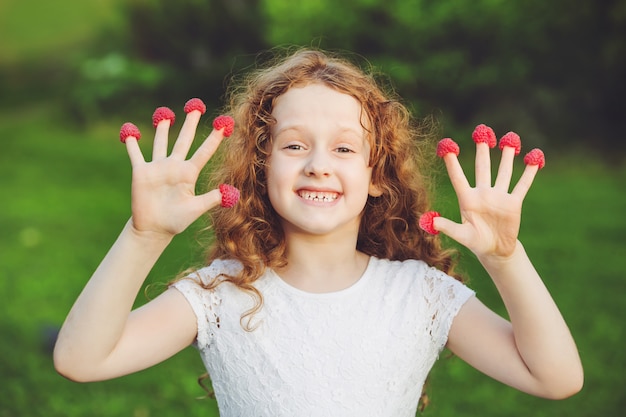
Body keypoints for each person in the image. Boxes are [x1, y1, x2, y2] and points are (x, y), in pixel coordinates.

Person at [53, 48, 583, 416]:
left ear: (378, 176)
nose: (318, 165)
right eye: (294, 145)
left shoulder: (419, 295)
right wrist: (144, 236)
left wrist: (506, 260)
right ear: (261, 168)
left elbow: (555, 378)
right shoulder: (221, 295)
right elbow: (81, 360)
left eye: (345, 148)